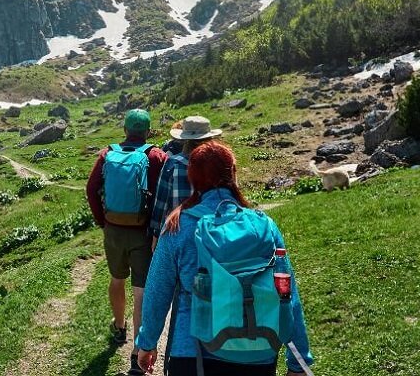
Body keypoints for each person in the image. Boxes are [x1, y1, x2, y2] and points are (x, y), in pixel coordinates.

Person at [135, 142, 313, 376]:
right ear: (233, 174)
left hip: (192, 352)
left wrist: (147, 343)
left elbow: (157, 292)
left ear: (193, 179)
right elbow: (287, 294)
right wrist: (298, 360)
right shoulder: (263, 226)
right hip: (257, 350)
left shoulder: (179, 226)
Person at [86, 109, 168, 376]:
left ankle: (119, 327)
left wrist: (103, 221)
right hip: (142, 233)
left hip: (113, 229)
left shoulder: (107, 154)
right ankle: (136, 353)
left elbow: (91, 188)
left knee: (116, 278)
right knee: (140, 292)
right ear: (147, 131)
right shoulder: (154, 156)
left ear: (125, 130)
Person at [148, 116, 222, 247]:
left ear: (185, 139)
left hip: (179, 231)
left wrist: (156, 233)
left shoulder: (173, 163)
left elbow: (161, 202)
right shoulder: (219, 163)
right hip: (213, 232)